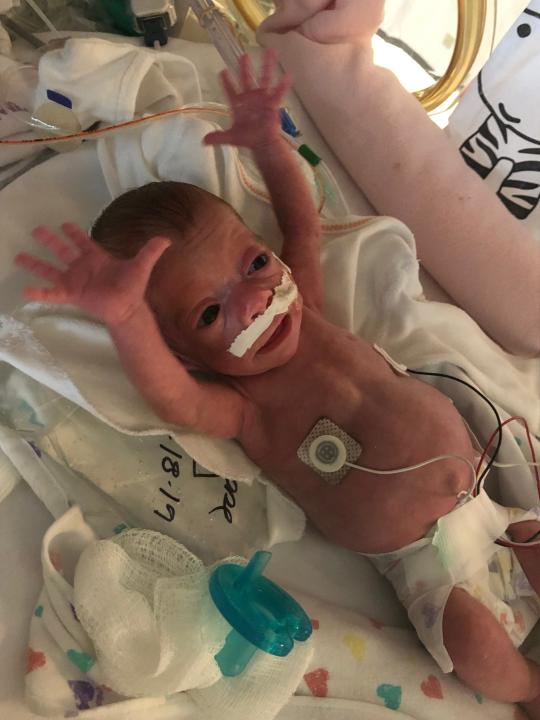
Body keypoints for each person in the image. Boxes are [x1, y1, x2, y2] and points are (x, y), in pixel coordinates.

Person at [14, 51, 540, 716]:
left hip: (494, 512)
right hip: (429, 570)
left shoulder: (306, 309)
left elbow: (301, 221)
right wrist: (124, 321)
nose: (253, 301)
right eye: (209, 314)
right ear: (187, 352)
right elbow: (168, 396)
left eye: (254, 264)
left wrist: (266, 141)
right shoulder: (245, 408)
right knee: (473, 643)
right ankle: (528, 687)